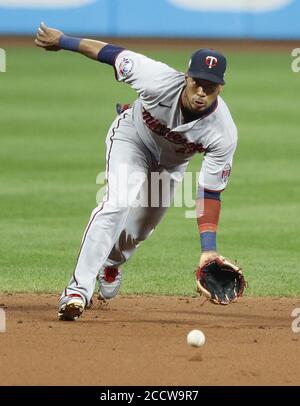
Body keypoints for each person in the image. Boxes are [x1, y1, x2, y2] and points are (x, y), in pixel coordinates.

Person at [35, 22, 238, 321]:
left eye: (210, 87)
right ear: (186, 77)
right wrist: (63, 40)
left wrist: (209, 249)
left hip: (171, 166)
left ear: (220, 87)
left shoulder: (223, 132)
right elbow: (110, 53)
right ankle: (77, 291)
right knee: (116, 204)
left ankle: (110, 264)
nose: (201, 92)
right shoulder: (155, 77)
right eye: (197, 82)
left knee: (138, 231)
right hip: (132, 141)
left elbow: (209, 191)